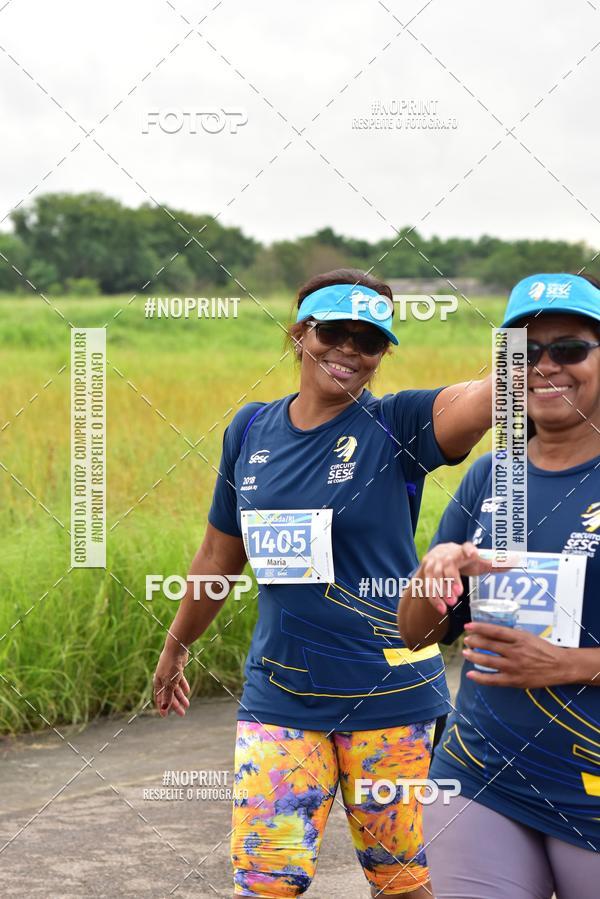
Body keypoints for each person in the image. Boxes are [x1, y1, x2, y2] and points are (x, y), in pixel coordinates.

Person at [153, 269, 492, 898]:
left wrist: (539, 343)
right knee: (265, 883)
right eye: (334, 332)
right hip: (281, 693)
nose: (349, 351)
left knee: (401, 881)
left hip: (390, 697)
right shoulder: (251, 430)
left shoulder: (401, 423)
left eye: (370, 342)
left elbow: (496, 393)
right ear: (298, 333)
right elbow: (217, 557)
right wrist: (177, 644)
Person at [398, 272, 600, 898]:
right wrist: (432, 578)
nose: (545, 366)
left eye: (568, 349)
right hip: (480, 772)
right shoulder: (491, 474)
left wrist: (570, 664)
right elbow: (416, 633)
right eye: (525, 352)